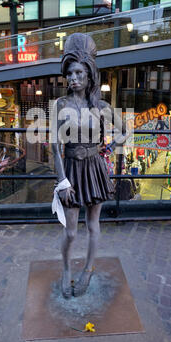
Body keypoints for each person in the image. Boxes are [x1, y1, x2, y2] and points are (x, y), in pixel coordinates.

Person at [51, 33, 127, 299]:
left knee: (93, 225)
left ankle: (88, 268)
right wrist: (62, 182)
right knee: (70, 232)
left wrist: (109, 148)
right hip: (71, 170)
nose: (73, 78)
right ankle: (65, 270)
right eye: (70, 73)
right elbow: (54, 146)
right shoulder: (60, 105)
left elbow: (125, 130)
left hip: (94, 167)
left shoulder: (101, 106)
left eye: (79, 73)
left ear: (89, 75)